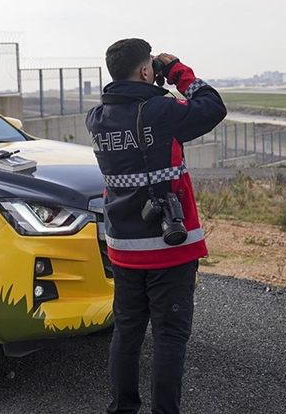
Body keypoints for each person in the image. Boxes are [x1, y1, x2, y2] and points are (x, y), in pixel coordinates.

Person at [86, 38, 227, 414]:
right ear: (147, 71)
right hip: (169, 247)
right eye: (151, 66)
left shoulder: (97, 118)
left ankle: (123, 408)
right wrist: (178, 71)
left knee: (127, 333)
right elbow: (213, 106)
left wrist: (152, 81)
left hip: (123, 248)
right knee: (170, 337)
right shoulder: (161, 111)